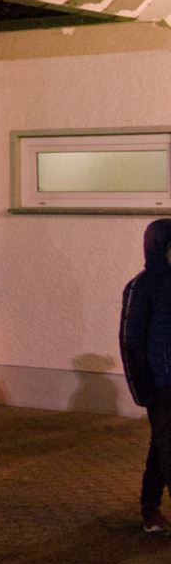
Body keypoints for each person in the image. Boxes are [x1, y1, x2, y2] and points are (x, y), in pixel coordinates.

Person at [120, 218, 171, 535]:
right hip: (161, 384)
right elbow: (131, 341)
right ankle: (150, 509)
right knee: (168, 446)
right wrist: (141, 389)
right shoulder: (141, 287)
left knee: (161, 447)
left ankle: (150, 505)